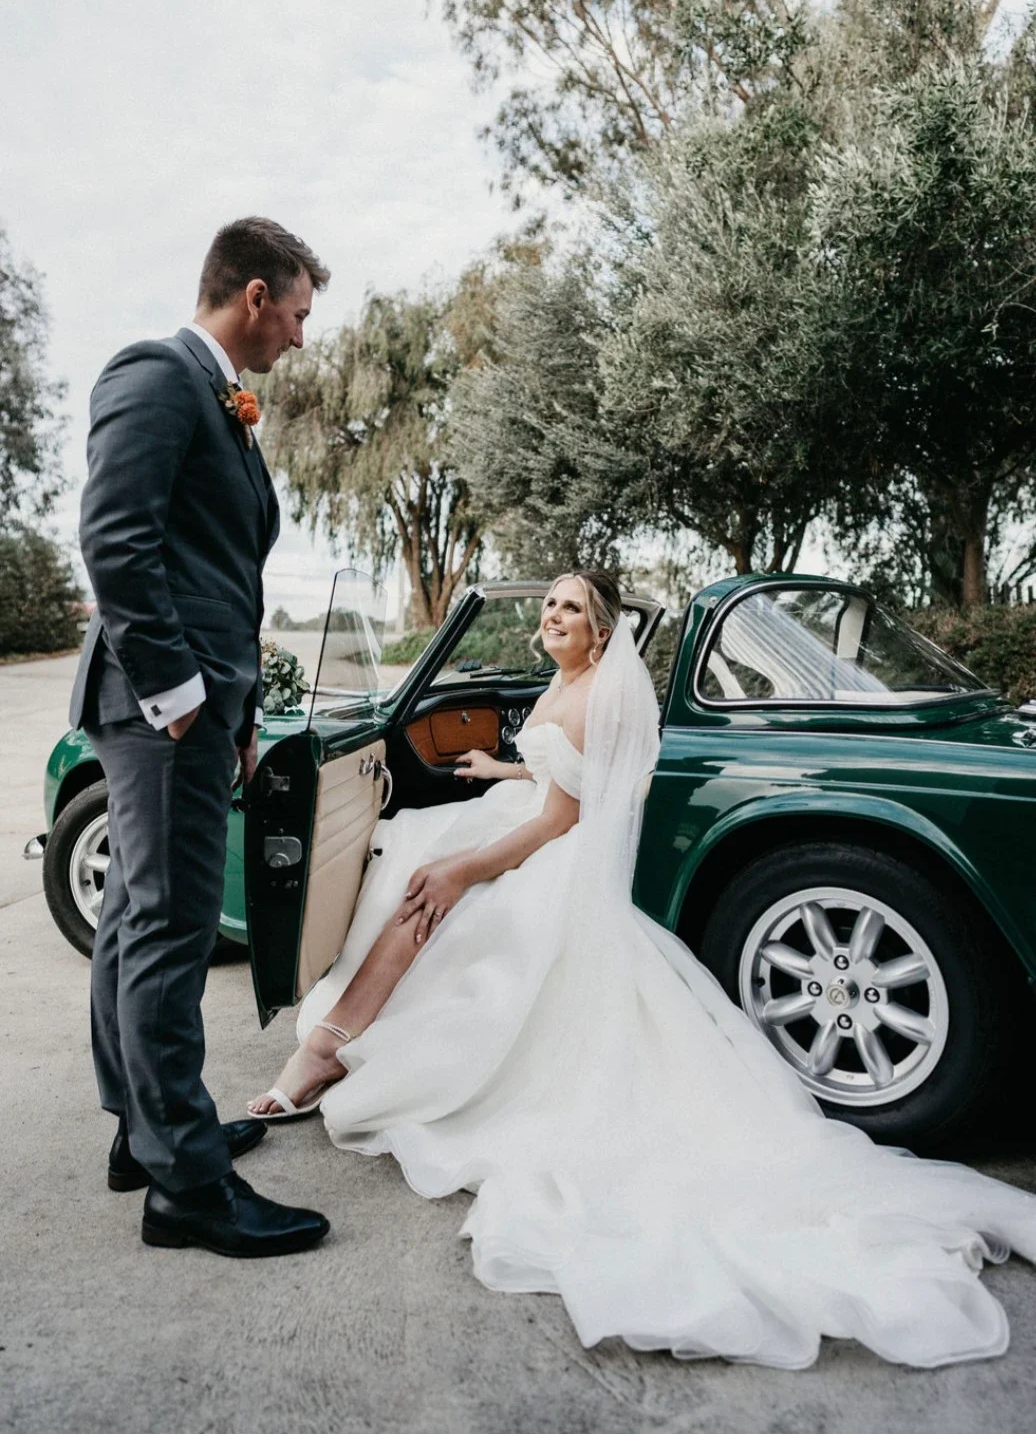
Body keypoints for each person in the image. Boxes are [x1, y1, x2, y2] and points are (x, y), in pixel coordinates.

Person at [249, 568, 1036, 1364]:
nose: (557, 616)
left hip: (551, 851)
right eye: (551, 605)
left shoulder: (593, 695)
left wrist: (469, 870)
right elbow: (565, 777)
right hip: (530, 815)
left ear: (601, 633)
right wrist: (503, 771)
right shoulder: (570, 686)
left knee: (422, 880)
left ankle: (322, 1055)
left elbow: (563, 820)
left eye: (574, 610)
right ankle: (337, 1039)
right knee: (412, 853)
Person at [71, 217, 331, 1257]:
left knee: (140, 919)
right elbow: (115, 540)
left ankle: (147, 1130)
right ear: (255, 295)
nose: (303, 339)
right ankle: (186, 1185)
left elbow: (220, 575)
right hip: (156, 703)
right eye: (300, 314)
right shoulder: (157, 372)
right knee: (174, 927)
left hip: (194, 703)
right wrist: (181, 699)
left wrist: (236, 713)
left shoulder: (221, 403)